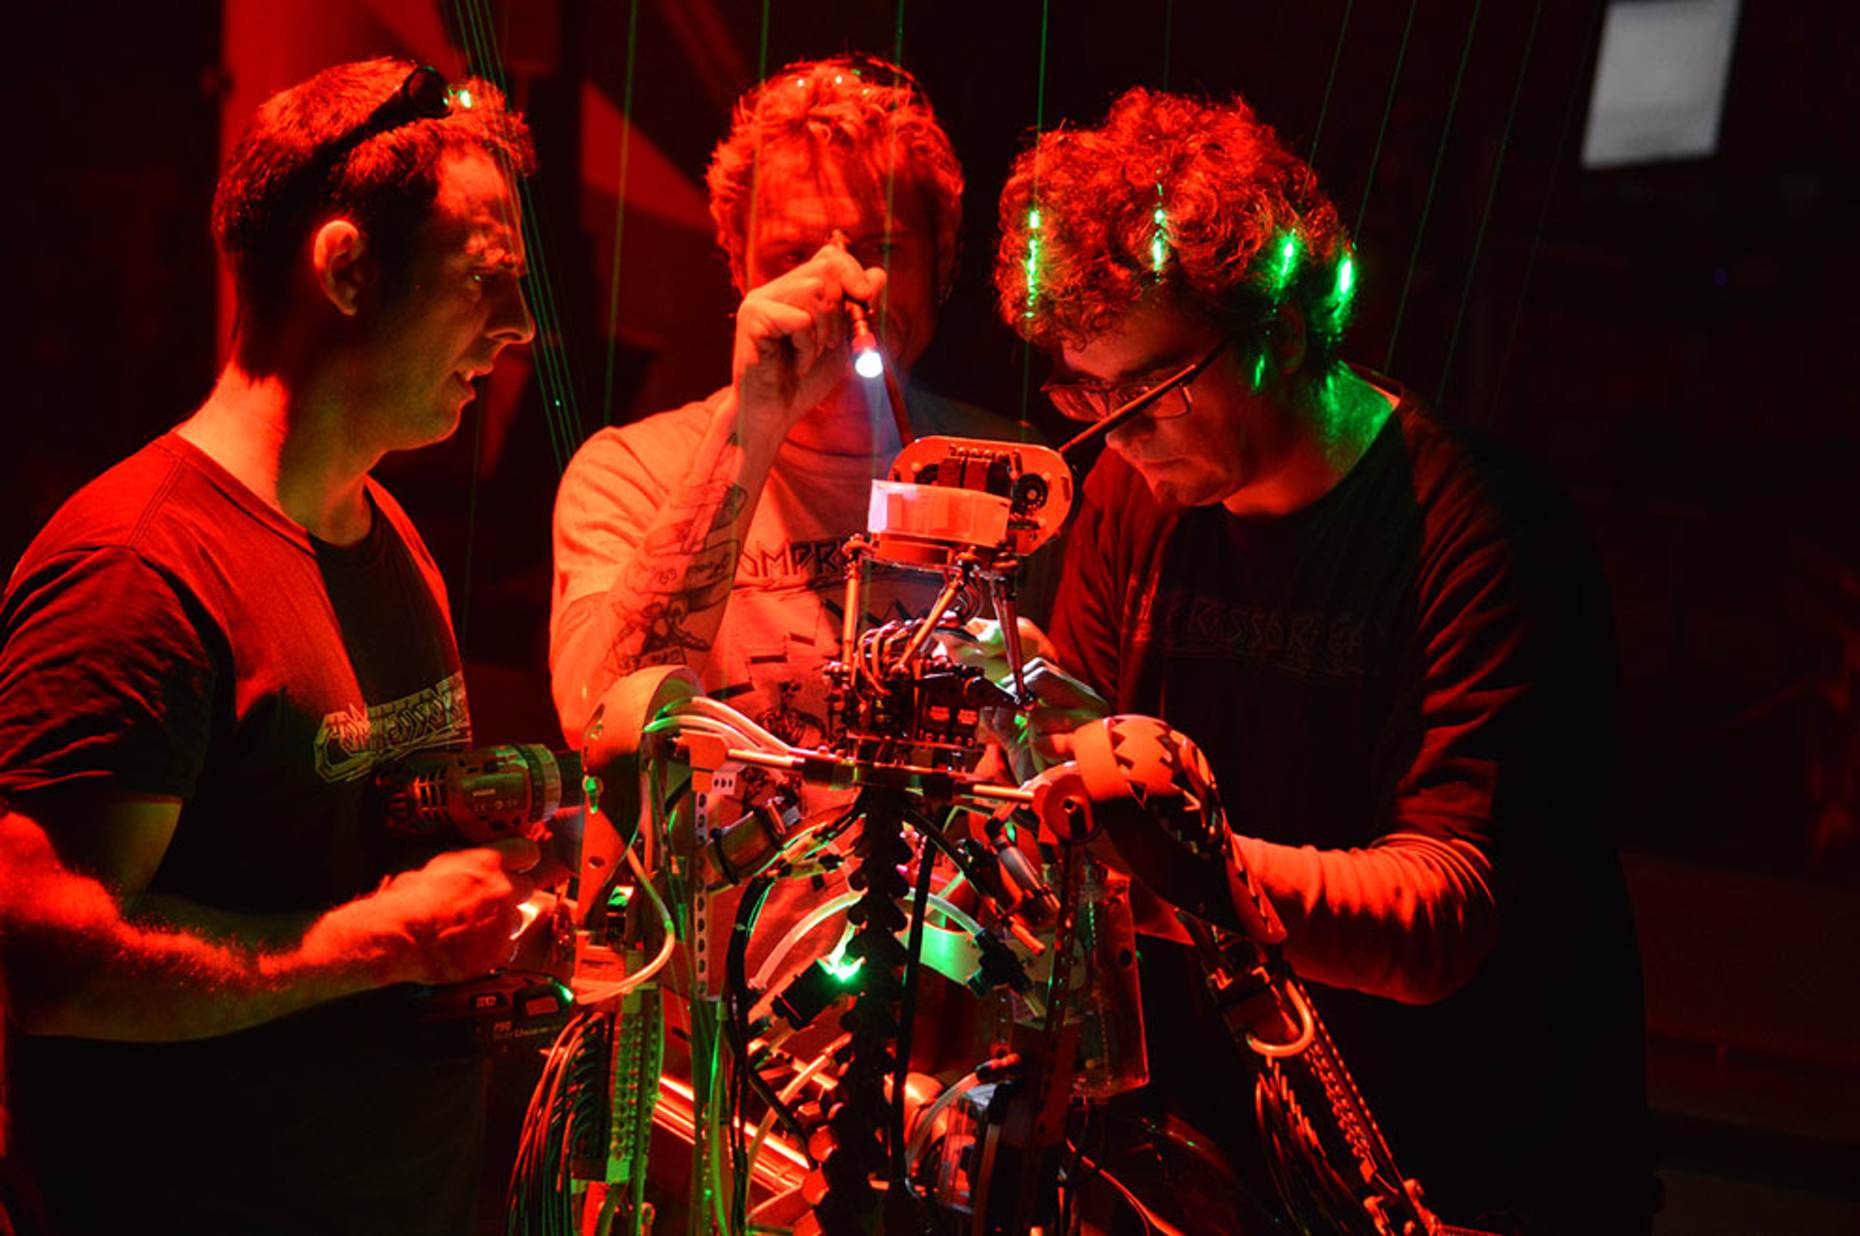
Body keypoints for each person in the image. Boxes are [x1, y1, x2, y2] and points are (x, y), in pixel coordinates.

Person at [991, 89, 1653, 1234]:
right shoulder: (1131, 495)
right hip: (1217, 1170)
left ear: (1284, 334)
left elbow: (1444, 910)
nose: (1116, 433)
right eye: (1081, 391)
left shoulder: (1481, 535)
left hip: (1464, 1172)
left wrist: (1185, 877)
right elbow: (1085, 760)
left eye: (1149, 389)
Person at [0, 58, 540, 1234]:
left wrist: (488, 861)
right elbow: (51, 968)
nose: (517, 326)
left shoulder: (385, 529)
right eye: (482, 279)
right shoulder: (138, 566)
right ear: (344, 270)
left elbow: (351, 839)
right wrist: (368, 945)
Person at [550, 54, 1041, 753]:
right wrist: (751, 429)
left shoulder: (1019, 471)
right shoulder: (629, 471)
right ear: (737, 266)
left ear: (944, 261)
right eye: (792, 255)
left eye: (881, 247)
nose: (839, 285)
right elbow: (594, 719)